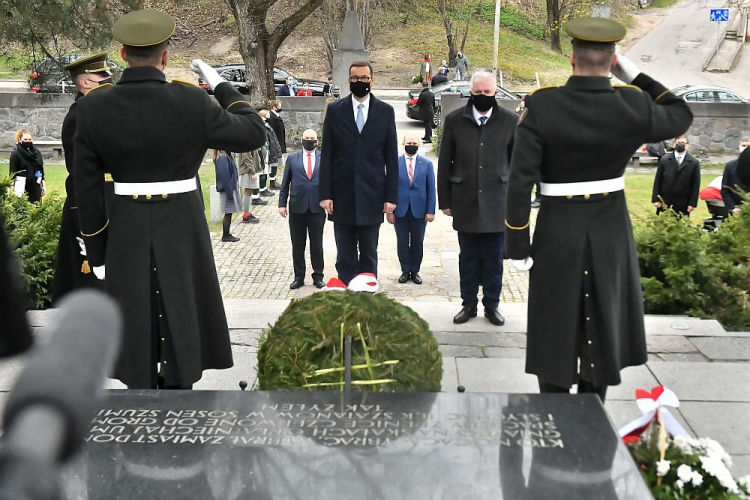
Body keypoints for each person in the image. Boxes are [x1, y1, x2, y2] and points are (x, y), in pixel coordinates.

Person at [73, 9, 267, 390]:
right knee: (182, 302)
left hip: (125, 222)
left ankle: (140, 392)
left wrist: (96, 252)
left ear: (124, 55)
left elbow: (85, 184)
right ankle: (180, 388)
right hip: (182, 221)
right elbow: (252, 133)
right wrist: (221, 85)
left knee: (133, 316)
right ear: (165, 57)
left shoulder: (93, 106)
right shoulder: (192, 100)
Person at [505, 18, 693, 402]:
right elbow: (680, 113)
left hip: (559, 228)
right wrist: (634, 74)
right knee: (603, 313)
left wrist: (518, 244)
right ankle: (594, 411)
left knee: (555, 319)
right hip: (610, 228)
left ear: (571, 58)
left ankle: (553, 410)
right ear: (612, 61)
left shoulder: (543, 105)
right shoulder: (633, 103)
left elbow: (520, 180)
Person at [437, 70, 518, 326]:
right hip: (465, 201)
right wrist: (445, 201)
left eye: (487, 92)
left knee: (494, 258)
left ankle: (492, 305)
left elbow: (517, 164)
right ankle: (468, 303)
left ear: (495, 92)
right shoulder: (454, 121)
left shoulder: (510, 121)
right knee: (468, 257)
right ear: (469, 93)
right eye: (477, 92)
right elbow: (444, 163)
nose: (482, 96)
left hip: (498, 201)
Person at [319, 60, 399, 285]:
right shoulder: (335, 111)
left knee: (369, 255)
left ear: (372, 80)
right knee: (344, 257)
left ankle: (366, 301)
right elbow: (327, 155)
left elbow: (391, 158)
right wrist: (325, 194)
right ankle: (346, 302)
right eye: (355, 78)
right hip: (341, 195)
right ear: (349, 80)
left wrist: (391, 197)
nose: (360, 82)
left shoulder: (385, 112)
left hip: (372, 195)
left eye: (365, 78)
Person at [52, 53, 113, 303]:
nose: (109, 83)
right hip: (88, 202)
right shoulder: (79, 115)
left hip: (108, 197)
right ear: (86, 82)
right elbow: (79, 171)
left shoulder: (99, 111)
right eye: (103, 78)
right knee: (90, 277)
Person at [279, 129, 326, 290]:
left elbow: (329, 182)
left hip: (317, 207)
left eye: (312, 139)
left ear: (317, 141)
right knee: (298, 245)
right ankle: (299, 276)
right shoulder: (292, 159)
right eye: (307, 138)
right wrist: (281, 204)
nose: (309, 141)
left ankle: (318, 276)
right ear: (301, 140)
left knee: (317, 244)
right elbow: (285, 183)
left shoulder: (323, 158)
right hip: (297, 207)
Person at [388, 133, 435, 285]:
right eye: (409, 142)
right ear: (403, 144)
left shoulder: (426, 164)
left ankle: (415, 271)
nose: (412, 145)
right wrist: (389, 211)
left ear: (419, 145)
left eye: (414, 143)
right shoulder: (395, 163)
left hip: (419, 210)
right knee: (401, 241)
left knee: (417, 241)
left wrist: (430, 210)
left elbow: (431, 189)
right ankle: (404, 270)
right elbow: (389, 188)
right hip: (400, 210)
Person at [652, 135, 700, 216]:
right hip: (665, 201)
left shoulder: (694, 163)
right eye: (678, 143)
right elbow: (658, 181)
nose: (680, 145)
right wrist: (656, 199)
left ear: (688, 146)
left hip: (683, 202)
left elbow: (695, 185)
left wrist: (692, 203)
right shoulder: (665, 160)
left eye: (683, 143)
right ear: (674, 144)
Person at [9, 129, 44, 203]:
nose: (28, 141)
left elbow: (41, 169)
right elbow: (12, 172)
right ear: (20, 140)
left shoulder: (36, 153)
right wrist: (12, 187)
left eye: (29, 139)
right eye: (25, 139)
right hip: (21, 184)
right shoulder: (15, 154)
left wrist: (43, 185)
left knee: (36, 206)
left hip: (35, 183)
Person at [214, 150, 242, 242]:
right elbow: (225, 176)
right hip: (226, 189)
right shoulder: (222, 158)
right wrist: (230, 192)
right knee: (228, 212)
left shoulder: (226, 156)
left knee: (229, 212)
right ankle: (225, 235)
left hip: (229, 188)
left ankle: (227, 233)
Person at [721, 137, 750, 215]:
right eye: (743, 146)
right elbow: (725, 189)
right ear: (739, 146)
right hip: (732, 211)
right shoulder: (730, 166)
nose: (746, 148)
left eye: (748, 146)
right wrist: (732, 208)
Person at [237, 148, 264, 219]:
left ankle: (246, 213)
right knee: (248, 191)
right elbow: (247, 158)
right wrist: (253, 172)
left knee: (249, 191)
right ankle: (246, 214)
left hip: (250, 169)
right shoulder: (246, 142)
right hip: (248, 170)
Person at [267, 99, 287, 188]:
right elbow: (272, 131)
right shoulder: (271, 117)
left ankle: (274, 180)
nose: (280, 108)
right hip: (275, 142)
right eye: (279, 106)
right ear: (275, 107)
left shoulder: (276, 116)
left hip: (279, 142)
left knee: (276, 163)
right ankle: (272, 182)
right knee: (273, 163)